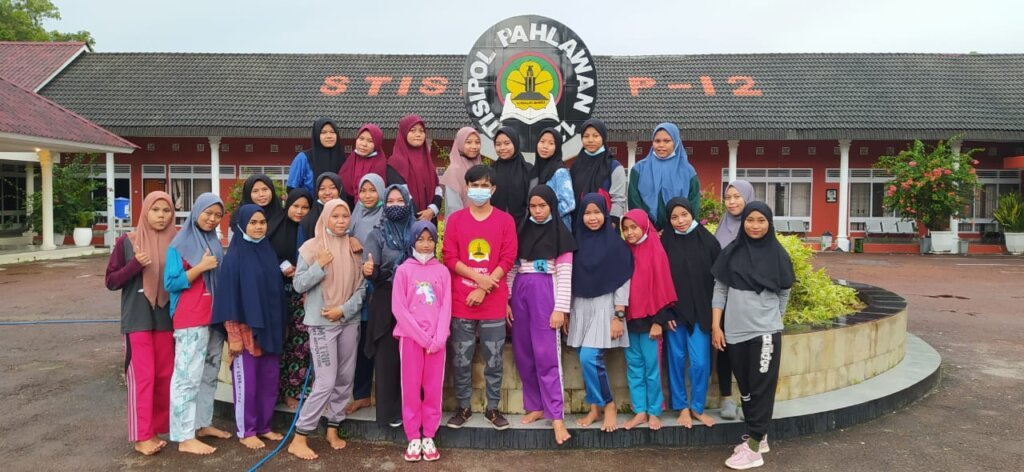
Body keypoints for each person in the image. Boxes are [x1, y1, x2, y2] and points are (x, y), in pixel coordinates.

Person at [711, 202, 794, 470]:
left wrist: (774, 319)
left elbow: (784, 291)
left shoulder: (778, 255)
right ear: (743, 222)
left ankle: (755, 448)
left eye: (761, 220)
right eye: (750, 220)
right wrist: (716, 326)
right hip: (735, 332)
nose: (755, 226)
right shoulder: (731, 252)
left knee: (761, 390)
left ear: (769, 223)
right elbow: (720, 291)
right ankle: (759, 435)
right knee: (746, 389)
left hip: (765, 332)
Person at [287, 200, 366, 460]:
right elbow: (298, 284)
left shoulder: (355, 247)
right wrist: (319, 265)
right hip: (322, 324)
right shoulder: (311, 248)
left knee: (345, 378)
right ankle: (300, 436)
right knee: (325, 381)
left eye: (345, 216)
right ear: (325, 218)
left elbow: (362, 287)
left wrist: (343, 310)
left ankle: (333, 428)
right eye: (336, 216)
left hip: (348, 320)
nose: (341, 221)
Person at [442, 165, 517, 430]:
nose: (479, 190)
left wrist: (484, 287)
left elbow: (508, 258)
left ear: (493, 189)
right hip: (461, 302)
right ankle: (463, 407)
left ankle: (492, 408)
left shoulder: (505, 221)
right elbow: (449, 256)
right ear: (466, 188)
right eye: (474, 185)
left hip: (493, 303)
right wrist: (478, 278)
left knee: (494, 359)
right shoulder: (456, 220)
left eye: (485, 186)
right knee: (461, 359)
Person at [105, 191, 178, 456]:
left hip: (166, 318)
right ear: (145, 211)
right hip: (137, 319)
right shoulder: (127, 242)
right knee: (143, 377)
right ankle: (141, 436)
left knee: (164, 376)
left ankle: (155, 430)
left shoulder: (178, 241)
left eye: (166, 211)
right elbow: (111, 281)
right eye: (155, 210)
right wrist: (134, 265)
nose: (161, 216)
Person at [212, 204, 286, 450]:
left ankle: (264, 426)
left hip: (269, 331)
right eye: (253, 223)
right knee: (248, 385)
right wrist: (233, 336)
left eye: (262, 222)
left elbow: (276, 294)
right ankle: (247, 430)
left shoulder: (267, 252)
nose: (258, 227)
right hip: (244, 333)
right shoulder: (234, 257)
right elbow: (228, 299)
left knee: (268, 382)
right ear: (242, 225)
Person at [507, 185, 575, 444]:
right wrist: (507, 299)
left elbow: (565, 275)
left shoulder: (561, 234)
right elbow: (512, 268)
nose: (537, 211)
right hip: (520, 291)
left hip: (546, 291)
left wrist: (561, 308)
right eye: (533, 206)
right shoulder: (521, 230)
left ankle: (556, 416)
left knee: (547, 354)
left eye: (542, 206)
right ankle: (535, 405)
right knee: (523, 352)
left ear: (552, 206)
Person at [164, 193, 232, 455]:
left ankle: (202, 424)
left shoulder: (214, 241)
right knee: (187, 377)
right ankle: (184, 436)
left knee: (209, 373)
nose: (212, 219)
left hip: (213, 318)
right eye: (208, 213)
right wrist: (200, 267)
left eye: (218, 215)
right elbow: (171, 283)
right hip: (190, 318)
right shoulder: (180, 244)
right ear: (196, 212)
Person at [567, 193, 631, 433]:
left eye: (597, 212)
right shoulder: (575, 242)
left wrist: (618, 316)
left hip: (606, 307)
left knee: (589, 358)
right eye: (587, 213)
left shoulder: (615, 245)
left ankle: (609, 404)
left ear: (605, 213)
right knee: (585, 360)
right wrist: (567, 311)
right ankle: (595, 408)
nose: (592, 218)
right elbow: (569, 277)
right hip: (580, 307)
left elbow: (623, 279)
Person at [392, 221, 451, 462]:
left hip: (437, 342)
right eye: (420, 239)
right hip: (411, 340)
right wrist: (423, 338)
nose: (425, 244)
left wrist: (438, 338)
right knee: (411, 388)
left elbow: (446, 306)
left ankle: (429, 435)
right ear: (412, 241)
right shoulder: (404, 270)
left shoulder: (442, 271)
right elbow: (399, 308)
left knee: (434, 389)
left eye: (430, 240)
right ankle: (413, 436)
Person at [661, 198, 721, 429]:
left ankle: (697, 407)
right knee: (675, 360)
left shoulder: (709, 241)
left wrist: (715, 317)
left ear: (692, 213)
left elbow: (719, 283)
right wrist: (664, 314)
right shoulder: (665, 243)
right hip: (673, 315)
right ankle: (682, 407)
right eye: (674, 217)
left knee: (700, 363)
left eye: (684, 215)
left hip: (701, 314)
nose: (680, 221)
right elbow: (658, 281)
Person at [363, 184, 416, 427]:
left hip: (414, 300)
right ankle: (390, 413)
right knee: (388, 358)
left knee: (412, 359)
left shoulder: (418, 230)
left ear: (408, 202)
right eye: (391, 201)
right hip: (386, 301)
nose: (395, 205)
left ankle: (413, 410)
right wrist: (369, 271)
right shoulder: (377, 234)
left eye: (400, 201)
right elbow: (372, 269)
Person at [620, 209, 677, 431]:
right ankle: (640, 411)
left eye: (634, 227)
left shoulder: (655, 249)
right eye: (626, 229)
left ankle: (654, 411)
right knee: (634, 367)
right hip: (629, 321)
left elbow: (663, 287)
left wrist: (658, 322)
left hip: (651, 322)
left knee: (652, 368)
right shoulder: (624, 250)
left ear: (644, 226)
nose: (630, 232)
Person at [713, 179, 756, 420]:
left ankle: (748, 399)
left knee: (749, 350)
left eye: (737, 197)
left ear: (748, 197)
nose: (731, 202)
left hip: (750, 301)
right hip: (724, 298)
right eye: (728, 197)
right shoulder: (722, 227)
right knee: (725, 349)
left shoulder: (756, 225)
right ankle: (727, 398)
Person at [268, 189, 314, 408]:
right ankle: (275, 390)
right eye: (296, 206)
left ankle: (293, 391)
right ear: (288, 205)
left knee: (300, 344)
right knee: (280, 341)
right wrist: (282, 266)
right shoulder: (275, 227)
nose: (300, 211)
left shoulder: (311, 230)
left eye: (305, 208)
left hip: (302, 294)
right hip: (278, 291)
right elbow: (266, 253)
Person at [346, 173, 386, 414]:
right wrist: (349, 237)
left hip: (381, 285)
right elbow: (340, 237)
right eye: (363, 190)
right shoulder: (355, 214)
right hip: (355, 285)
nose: (367, 195)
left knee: (380, 339)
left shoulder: (388, 214)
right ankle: (361, 394)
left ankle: (386, 395)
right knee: (361, 342)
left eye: (372, 190)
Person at [627, 122, 701, 231]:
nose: (661, 145)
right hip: (647, 231)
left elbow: (694, 204)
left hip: (679, 232)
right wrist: (649, 230)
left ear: (676, 142)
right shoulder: (639, 169)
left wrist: (679, 229)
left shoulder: (688, 171)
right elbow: (634, 202)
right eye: (657, 141)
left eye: (667, 141)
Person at [569, 118, 627, 224]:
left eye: (596, 136)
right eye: (586, 136)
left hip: (605, 224)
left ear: (603, 137)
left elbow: (618, 200)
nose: (590, 140)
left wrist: (612, 223)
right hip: (578, 224)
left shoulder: (614, 167)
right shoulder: (575, 166)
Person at [387, 115, 442, 221]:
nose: (418, 134)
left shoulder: (428, 162)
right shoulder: (395, 163)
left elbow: (437, 189)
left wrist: (432, 210)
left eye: (421, 131)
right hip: (407, 221)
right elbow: (401, 192)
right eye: (412, 130)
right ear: (403, 133)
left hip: (430, 220)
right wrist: (419, 217)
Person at [529, 127, 575, 228]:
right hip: (536, 226)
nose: (545, 146)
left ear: (557, 147)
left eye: (551, 143)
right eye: (542, 141)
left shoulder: (560, 172)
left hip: (556, 227)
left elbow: (568, 204)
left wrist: (544, 215)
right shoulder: (534, 171)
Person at [288, 118, 345, 194]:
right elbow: (292, 188)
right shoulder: (304, 158)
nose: (329, 136)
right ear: (316, 134)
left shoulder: (343, 159)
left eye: (332, 132)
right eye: (323, 132)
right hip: (310, 201)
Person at [489, 126, 533, 224]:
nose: (502, 148)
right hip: (495, 224)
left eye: (507, 143)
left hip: (524, 224)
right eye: (498, 144)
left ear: (515, 143)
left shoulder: (528, 170)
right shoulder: (490, 170)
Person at [438, 126, 484, 215]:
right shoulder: (454, 171)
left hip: (482, 220)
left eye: (477, 142)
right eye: (468, 142)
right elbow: (453, 207)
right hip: (462, 221)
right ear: (460, 143)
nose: (474, 146)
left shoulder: (481, 168)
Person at [339, 124, 387, 205]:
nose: (364, 144)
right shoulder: (350, 161)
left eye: (370, 141)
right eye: (361, 139)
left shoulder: (381, 166)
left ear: (377, 144)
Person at [300, 172, 344, 239]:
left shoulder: (347, 213)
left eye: (332, 188)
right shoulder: (308, 220)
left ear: (340, 189)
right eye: (322, 188)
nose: (327, 192)